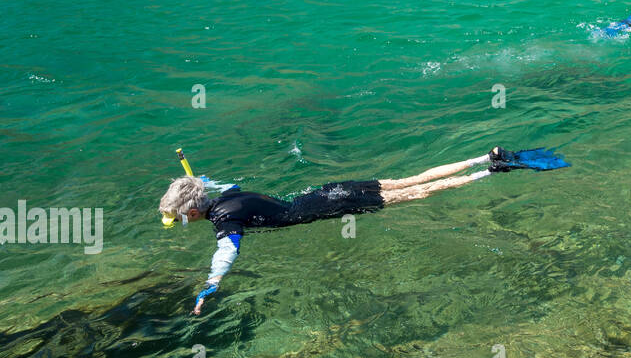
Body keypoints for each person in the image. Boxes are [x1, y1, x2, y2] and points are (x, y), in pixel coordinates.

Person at [159, 147, 566, 314]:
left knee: (422, 193)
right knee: (413, 178)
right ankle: (485, 155)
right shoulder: (229, 194)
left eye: (179, 216)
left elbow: (226, 251)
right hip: (332, 189)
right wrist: (201, 181)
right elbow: (214, 182)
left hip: (335, 204)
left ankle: (491, 173)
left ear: (192, 211)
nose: (180, 221)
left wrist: (213, 282)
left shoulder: (223, 219)